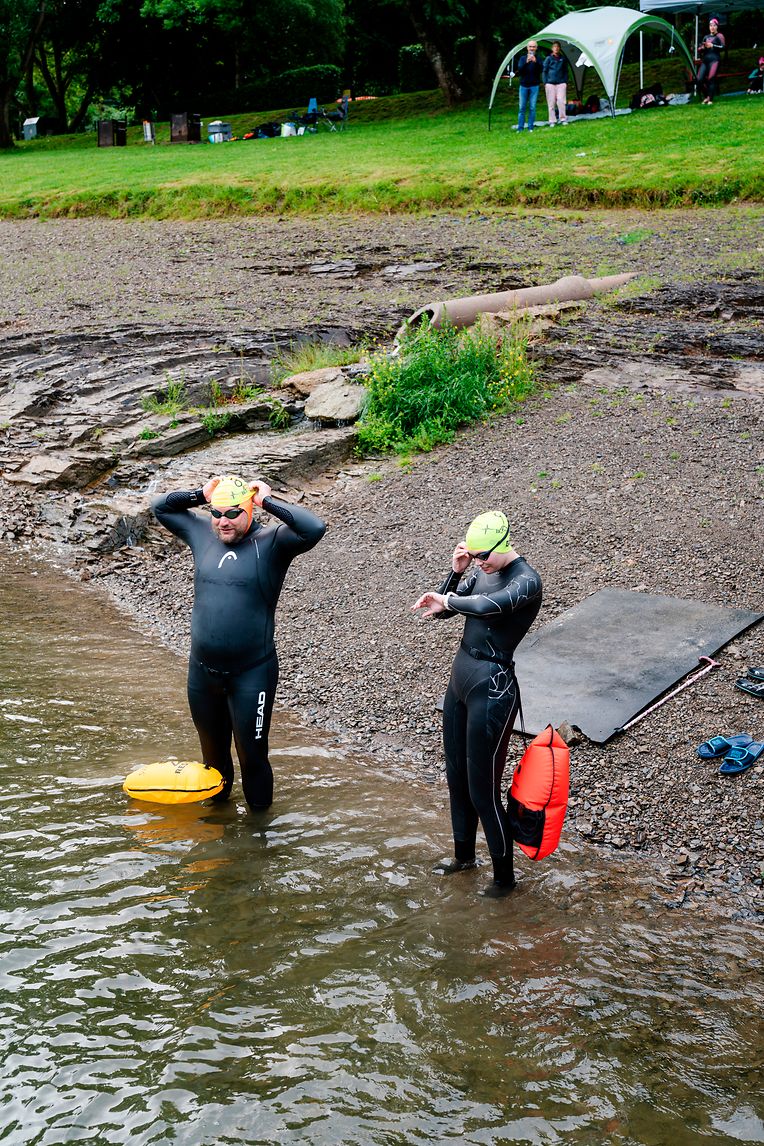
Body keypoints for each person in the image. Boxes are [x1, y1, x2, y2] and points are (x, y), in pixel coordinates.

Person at [151, 474, 326, 810]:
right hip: (203, 674)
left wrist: (266, 501)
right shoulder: (202, 533)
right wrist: (199, 494)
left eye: (233, 513)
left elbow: (314, 528)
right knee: (212, 758)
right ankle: (218, 827)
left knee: (252, 757)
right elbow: (161, 507)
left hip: (252, 674)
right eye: (217, 513)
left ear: (249, 510)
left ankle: (259, 834)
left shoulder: (272, 542)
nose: (223, 522)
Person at [411, 512, 543, 898]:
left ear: (504, 544)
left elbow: (487, 606)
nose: (479, 561)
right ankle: (464, 859)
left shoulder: (526, 581)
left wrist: (450, 597)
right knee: (457, 781)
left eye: (483, 555)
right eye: (473, 554)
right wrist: (454, 575)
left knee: (483, 791)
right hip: (460, 682)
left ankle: (504, 880)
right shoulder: (481, 569)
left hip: (493, 689)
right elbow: (444, 610)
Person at [516, 41, 544, 132]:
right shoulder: (522, 58)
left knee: (532, 107)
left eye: (534, 47)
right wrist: (526, 62)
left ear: (536, 48)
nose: (532, 48)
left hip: (534, 86)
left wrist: (535, 62)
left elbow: (542, 69)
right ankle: (520, 128)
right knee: (522, 108)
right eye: (530, 46)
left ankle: (530, 127)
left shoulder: (538, 58)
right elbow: (520, 71)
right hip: (523, 85)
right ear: (527, 48)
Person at [696, 16, 725, 104]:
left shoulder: (719, 36)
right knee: (699, 79)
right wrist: (702, 48)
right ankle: (707, 96)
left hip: (715, 60)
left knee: (711, 79)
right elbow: (700, 49)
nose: (712, 27)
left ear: (717, 27)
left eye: (714, 25)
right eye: (710, 25)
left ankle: (710, 99)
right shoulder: (706, 37)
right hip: (705, 61)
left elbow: (723, 47)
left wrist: (713, 45)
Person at [542, 41, 568, 126]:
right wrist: (545, 82)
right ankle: (552, 120)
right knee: (551, 102)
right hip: (550, 83)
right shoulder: (548, 59)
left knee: (561, 101)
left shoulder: (563, 59)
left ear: (559, 48)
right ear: (552, 48)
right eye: (554, 47)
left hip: (561, 83)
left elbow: (565, 71)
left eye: (557, 47)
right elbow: (544, 71)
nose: (556, 48)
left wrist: (565, 81)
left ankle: (563, 119)